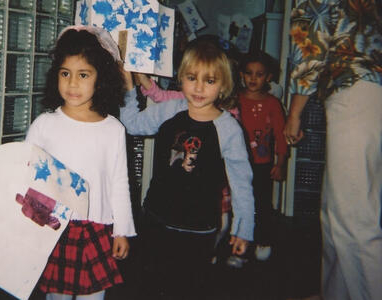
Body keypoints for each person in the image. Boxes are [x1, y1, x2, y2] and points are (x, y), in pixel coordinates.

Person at [120, 38, 255, 299]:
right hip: (156, 218)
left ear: (224, 85)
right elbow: (134, 124)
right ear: (181, 78)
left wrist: (243, 229)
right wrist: (128, 91)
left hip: (198, 227)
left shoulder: (228, 129)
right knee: (149, 286)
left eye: (210, 80)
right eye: (192, 78)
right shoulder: (170, 109)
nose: (200, 87)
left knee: (189, 289)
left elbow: (241, 184)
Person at [25, 25, 136, 300]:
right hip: (53, 227)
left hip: (97, 228)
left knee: (93, 296)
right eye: (66, 74)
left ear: (100, 79)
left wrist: (122, 230)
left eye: (83, 74)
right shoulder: (45, 125)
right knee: (57, 296)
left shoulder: (113, 129)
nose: (73, 83)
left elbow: (119, 183)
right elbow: (26, 176)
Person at [284, 1, 382, 299]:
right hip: (372, 93)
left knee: (353, 220)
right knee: (344, 212)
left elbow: (311, 43)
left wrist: (295, 111)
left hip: (355, 91)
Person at [232, 50, 287, 263]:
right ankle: (235, 246)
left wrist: (280, 163)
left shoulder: (273, 104)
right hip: (235, 163)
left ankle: (262, 240)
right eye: (249, 73)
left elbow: (281, 136)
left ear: (268, 77)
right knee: (237, 204)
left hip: (261, 165)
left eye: (259, 74)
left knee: (261, 205)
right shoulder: (234, 98)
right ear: (242, 75)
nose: (253, 78)